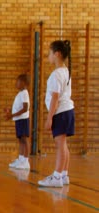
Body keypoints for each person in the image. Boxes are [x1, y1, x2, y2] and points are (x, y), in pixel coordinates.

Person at [38, 40, 74, 188]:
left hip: (60, 113)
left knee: (60, 145)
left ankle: (57, 176)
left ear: (57, 54)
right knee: (63, 144)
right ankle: (64, 174)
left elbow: (54, 97)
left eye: (49, 53)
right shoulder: (66, 71)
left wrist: (49, 118)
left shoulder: (56, 74)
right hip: (68, 111)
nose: (48, 56)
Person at [6, 74, 31, 170]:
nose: (16, 84)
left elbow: (25, 108)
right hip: (18, 119)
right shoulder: (20, 94)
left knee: (25, 139)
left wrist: (12, 115)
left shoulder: (24, 93)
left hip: (23, 119)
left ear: (24, 83)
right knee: (20, 140)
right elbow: (19, 107)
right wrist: (10, 110)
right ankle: (21, 159)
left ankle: (26, 161)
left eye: (18, 82)